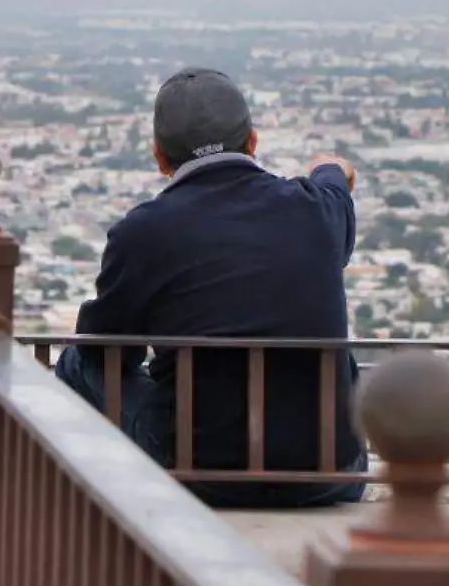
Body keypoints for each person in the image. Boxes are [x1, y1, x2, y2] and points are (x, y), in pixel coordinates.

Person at [55, 67, 366, 508]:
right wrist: (329, 167)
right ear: (253, 143)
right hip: (329, 472)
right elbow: (335, 174)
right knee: (328, 341)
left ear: (160, 158)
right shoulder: (316, 209)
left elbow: (106, 350)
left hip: (200, 469)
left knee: (75, 364)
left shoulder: (143, 232)